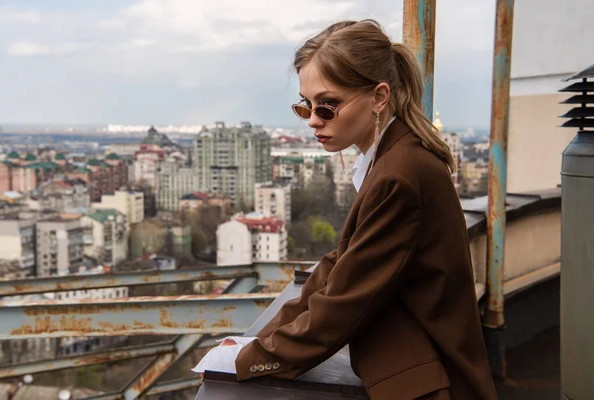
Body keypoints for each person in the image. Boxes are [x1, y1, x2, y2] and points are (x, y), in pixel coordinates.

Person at [201, 19, 498, 400]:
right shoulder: (394, 157)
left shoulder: (398, 176)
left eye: (328, 105)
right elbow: (340, 265)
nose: (312, 120)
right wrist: (259, 340)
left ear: (379, 97)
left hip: (431, 385)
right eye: (305, 105)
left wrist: (251, 358)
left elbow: (344, 300)